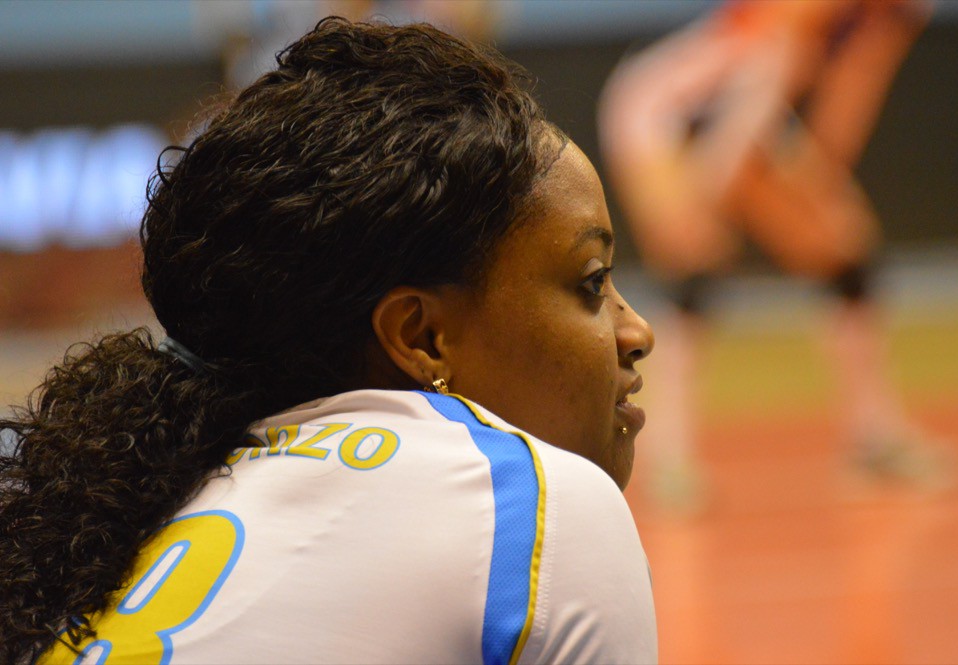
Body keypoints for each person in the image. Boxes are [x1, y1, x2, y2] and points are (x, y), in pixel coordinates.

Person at [0, 18, 657, 665]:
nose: (637, 332)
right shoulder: (539, 511)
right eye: (591, 282)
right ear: (420, 335)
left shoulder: (154, 508)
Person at [598, 0, 956, 512]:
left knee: (845, 245)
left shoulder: (899, 12)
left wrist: (823, 173)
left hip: (750, 112)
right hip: (664, 111)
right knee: (694, 258)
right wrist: (711, 182)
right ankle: (667, 457)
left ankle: (874, 435)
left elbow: (853, 88)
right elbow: (767, 60)